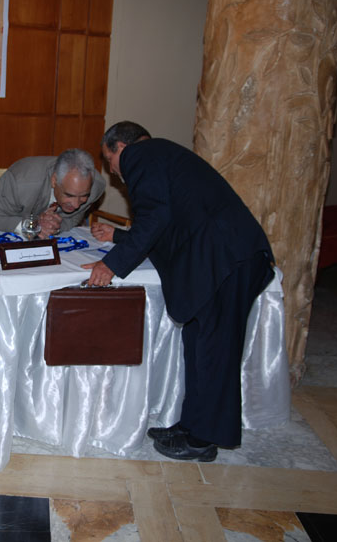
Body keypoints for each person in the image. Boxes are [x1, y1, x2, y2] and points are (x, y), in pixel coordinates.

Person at [83, 121, 275, 462]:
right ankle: (191, 426)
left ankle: (203, 440)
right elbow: (168, 223)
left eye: (108, 160)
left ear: (120, 148)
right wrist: (119, 238)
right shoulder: (162, 156)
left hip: (228, 259)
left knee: (215, 351)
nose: (112, 171)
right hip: (220, 259)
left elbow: (155, 218)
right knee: (198, 343)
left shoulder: (141, 155)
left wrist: (111, 265)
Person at [0, 148, 105, 238]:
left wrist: (54, 226)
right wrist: (31, 226)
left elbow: (72, 219)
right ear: (54, 180)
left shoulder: (95, 187)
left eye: (83, 196)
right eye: (69, 195)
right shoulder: (21, 181)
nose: (76, 204)